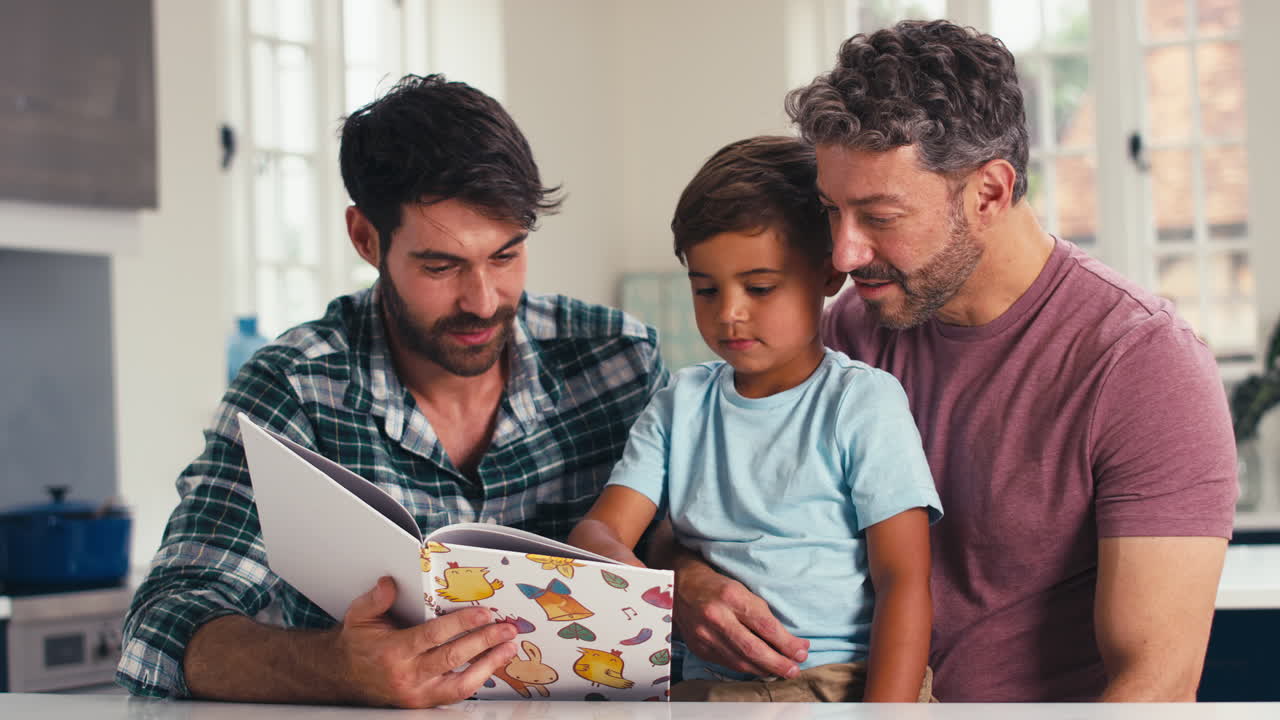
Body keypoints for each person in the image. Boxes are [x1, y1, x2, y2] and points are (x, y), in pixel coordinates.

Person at [665, 20, 1238, 702]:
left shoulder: (1142, 367)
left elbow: (1156, 686)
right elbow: (696, 518)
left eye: (879, 215)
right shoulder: (845, 334)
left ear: (990, 193)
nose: (843, 255)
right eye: (831, 212)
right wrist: (688, 582)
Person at [116, 74, 667, 708]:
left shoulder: (617, 360)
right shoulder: (296, 386)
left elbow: (701, 537)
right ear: (366, 238)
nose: (483, 301)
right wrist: (337, 669)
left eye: (506, 256)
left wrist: (698, 580)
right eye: (441, 266)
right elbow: (160, 629)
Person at [568, 136, 943, 703]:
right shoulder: (680, 403)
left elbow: (904, 581)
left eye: (760, 287)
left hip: (839, 686)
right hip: (703, 689)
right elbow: (598, 533)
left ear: (827, 275)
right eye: (705, 289)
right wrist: (651, 587)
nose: (729, 313)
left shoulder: (862, 403)